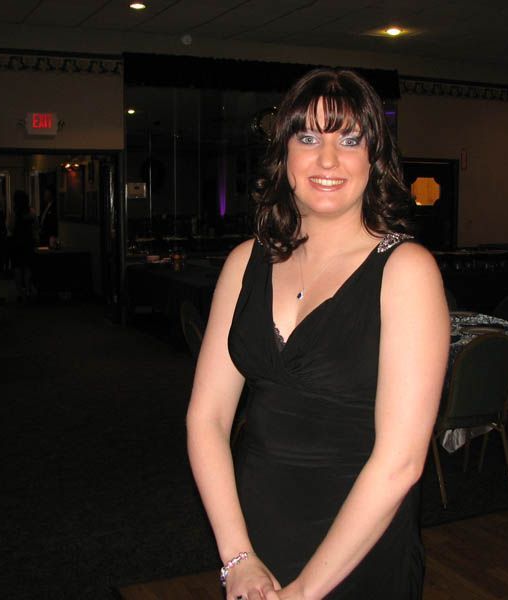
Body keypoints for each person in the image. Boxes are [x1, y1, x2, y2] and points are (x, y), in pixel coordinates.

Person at [186, 68, 450, 600]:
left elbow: (401, 462)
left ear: (374, 159)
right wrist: (237, 557)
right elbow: (207, 418)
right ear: (284, 155)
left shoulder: (406, 271)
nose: (328, 160)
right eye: (308, 138)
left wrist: (305, 592)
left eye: (349, 140)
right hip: (253, 542)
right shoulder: (244, 263)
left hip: (359, 548)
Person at [8, 190, 38, 302]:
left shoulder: (14, 213)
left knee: (17, 268)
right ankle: (28, 290)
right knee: (28, 267)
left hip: (16, 243)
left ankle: (21, 293)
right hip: (28, 242)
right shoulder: (31, 212)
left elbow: (10, 227)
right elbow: (36, 226)